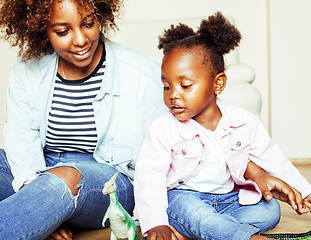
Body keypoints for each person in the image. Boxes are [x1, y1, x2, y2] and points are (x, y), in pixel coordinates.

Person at [133, 12, 311, 240]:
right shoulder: (162, 128)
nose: (173, 95)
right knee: (193, 213)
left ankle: (202, 232)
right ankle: (245, 237)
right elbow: (149, 177)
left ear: (218, 83)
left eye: (185, 85)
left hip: (227, 200)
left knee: (269, 211)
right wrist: (156, 224)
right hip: (184, 199)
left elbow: (272, 158)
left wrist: (304, 190)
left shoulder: (242, 121)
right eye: (166, 86)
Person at [0, 0, 165, 239]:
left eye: (89, 23)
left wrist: (49, 198)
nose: (80, 40)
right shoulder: (28, 67)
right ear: (40, 29)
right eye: (63, 31)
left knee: (66, 177)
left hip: (108, 182)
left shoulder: (139, 74)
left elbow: (157, 159)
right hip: (40, 167)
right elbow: (20, 137)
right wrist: (42, 207)